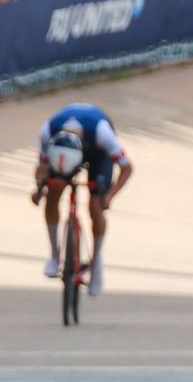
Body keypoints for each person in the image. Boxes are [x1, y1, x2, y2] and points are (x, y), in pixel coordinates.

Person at [30, 104, 134, 297]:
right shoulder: (47, 132)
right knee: (54, 190)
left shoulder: (102, 133)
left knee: (96, 207)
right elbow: (42, 168)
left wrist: (109, 196)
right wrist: (38, 189)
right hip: (63, 153)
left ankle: (96, 264)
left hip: (97, 155)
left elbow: (127, 168)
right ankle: (55, 255)